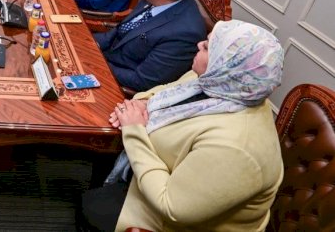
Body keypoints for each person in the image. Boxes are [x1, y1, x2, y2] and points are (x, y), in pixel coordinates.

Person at [80, 20, 284, 232]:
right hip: (153, 171)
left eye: (207, 47)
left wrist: (134, 130)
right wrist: (142, 102)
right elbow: (166, 90)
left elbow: (171, 208)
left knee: (91, 207)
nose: (198, 44)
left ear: (226, 66)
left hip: (169, 219)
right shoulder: (220, 83)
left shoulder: (236, 148)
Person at [95, 0, 207, 92]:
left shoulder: (184, 34)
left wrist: (95, 63)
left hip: (115, 82)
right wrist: (90, 44)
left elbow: (142, 81)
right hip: (105, 57)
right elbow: (120, 31)